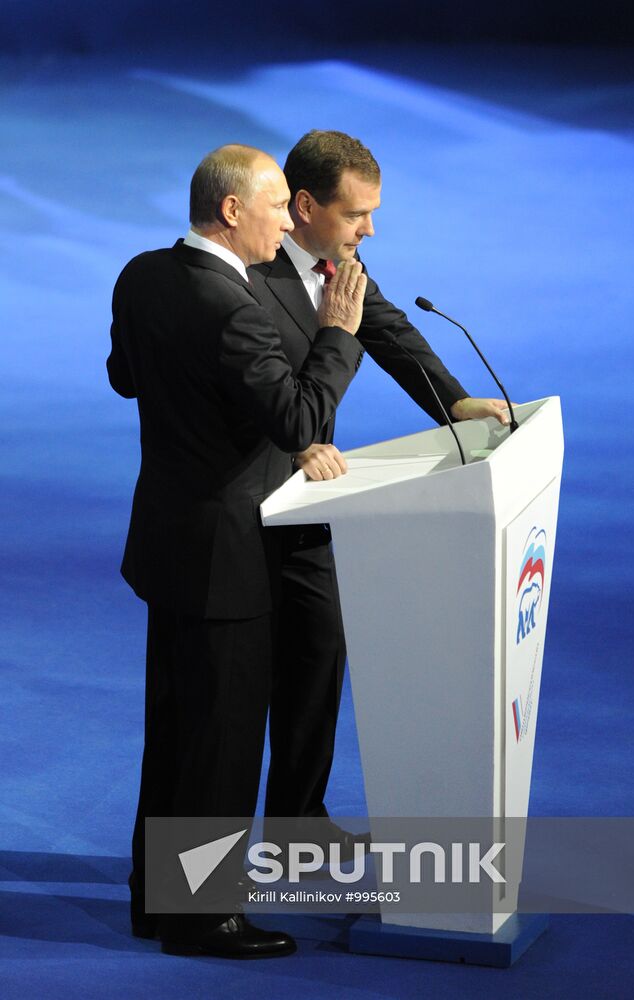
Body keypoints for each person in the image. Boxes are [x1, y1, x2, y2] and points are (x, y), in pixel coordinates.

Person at [107, 143, 367, 958]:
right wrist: (336, 335)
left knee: (175, 727)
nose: (283, 220)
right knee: (220, 737)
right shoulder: (236, 307)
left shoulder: (143, 274)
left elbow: (125, 377)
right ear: (230, 210)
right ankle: (202, 916)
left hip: (168, 541)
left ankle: (156, 896)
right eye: (271, 206)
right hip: (227, 554)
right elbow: (297, 421)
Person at [251, 130, 509, 835]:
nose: (368, 229)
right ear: (303, 206)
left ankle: (297, 820)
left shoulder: (343, 260)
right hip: (250, 495)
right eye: (355, 213)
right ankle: (197, 871)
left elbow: (386, 331)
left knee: (321, 643)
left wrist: (454, 402)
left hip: (308, 492)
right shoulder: (247, 270)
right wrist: (298, 437)